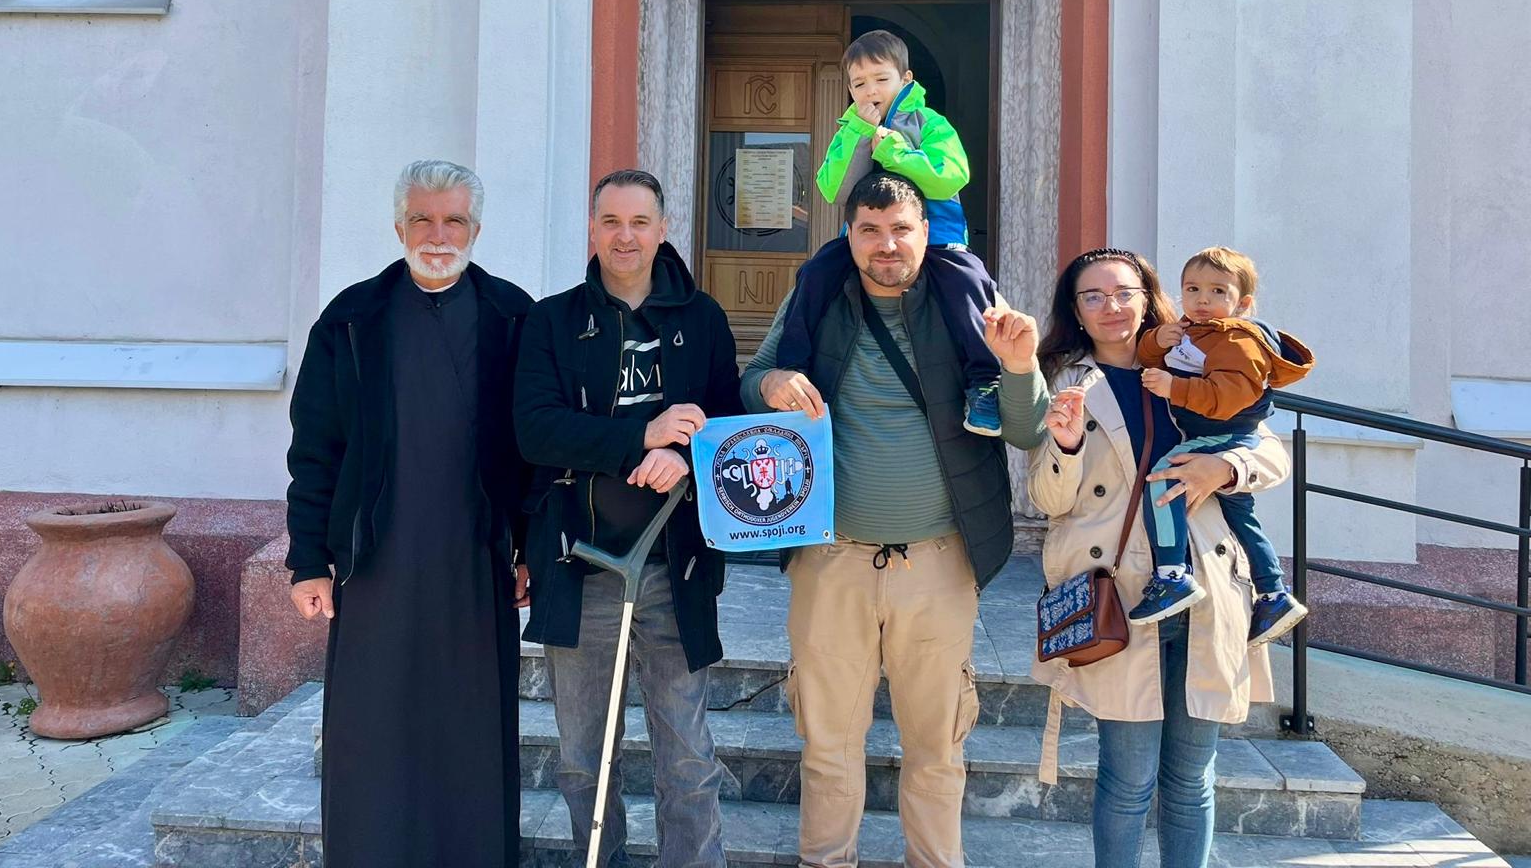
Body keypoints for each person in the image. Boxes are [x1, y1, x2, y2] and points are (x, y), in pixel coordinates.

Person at [741, 171, 1049, 868]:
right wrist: (771, 382)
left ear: (925, 232)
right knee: (827, 747)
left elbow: (1027, 431)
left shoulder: (971, 302)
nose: (887, 245)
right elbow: (752, 377)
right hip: (831, 561)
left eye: (900, 230)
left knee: (937, 749)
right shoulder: (816, 295)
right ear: (849, 235)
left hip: (938, 564)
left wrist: (1021, 366)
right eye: (870, 231)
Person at [285, 160, 533, 868]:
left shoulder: (514, 317)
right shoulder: (351, 320)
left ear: (475, 229)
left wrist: (529, 551)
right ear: (399, 228)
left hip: (475, 562)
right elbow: (316, 448)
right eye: (422, 219)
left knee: (470, 726)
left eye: (453, 220)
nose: (437, 234)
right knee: (373, 726)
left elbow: (536, 453)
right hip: (377, 562)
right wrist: (308, 560)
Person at [1028, 248, 1292, 868]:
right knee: (1127, 779)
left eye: (1124, 293)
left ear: (1147, 298)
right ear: (1076, 311)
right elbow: (1047, 499)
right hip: (1121, 596)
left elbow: (1270, 452)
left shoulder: (1196, 356)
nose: (1111, 307)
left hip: (1208, 586)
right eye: (1093, 297)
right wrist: (1066, 444)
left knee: (1192, 778)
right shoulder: (1066, 383)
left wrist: (1225, 468)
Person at [514, 168, 741, 868]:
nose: (625, 236)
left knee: (688, 755)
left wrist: (688, 455)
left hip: (676, 568)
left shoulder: (704, 319)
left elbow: (729, 427)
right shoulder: (552, 321)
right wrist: (642, 436)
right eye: (611, 222)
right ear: (592, 228)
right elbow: (535, 430)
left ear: (663, 229)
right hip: (578, 566)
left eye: (640, 222)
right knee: (583, 761)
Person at [772, 28, 1008, 437]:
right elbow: (833, 190)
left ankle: (984, 385)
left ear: (906, 79)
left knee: (970, 284)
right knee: (815, 273)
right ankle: (793, 367)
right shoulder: (849, 129)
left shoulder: (928, 123)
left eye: (881, 79)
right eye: (859, 83)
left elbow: (950, 176)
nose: (870, 91)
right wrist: (858, 137)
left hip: (939, 238)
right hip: (865, 241)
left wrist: (894, 151)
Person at [1132, 246, 1315, 641]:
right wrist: (1156, 341)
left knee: (1163, 479)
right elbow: (1156, 357)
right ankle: (1273, 593)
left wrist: (1174, 388)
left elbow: (1227, 396)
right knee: (1242, 517)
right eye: (1192, 289)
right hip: (1214, 434)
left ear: (1242, 303)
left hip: (1224, 434)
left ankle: (1171, 575)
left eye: (1218, 291)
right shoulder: (1194, 331)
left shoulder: (1237, 341)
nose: (1202, 300)